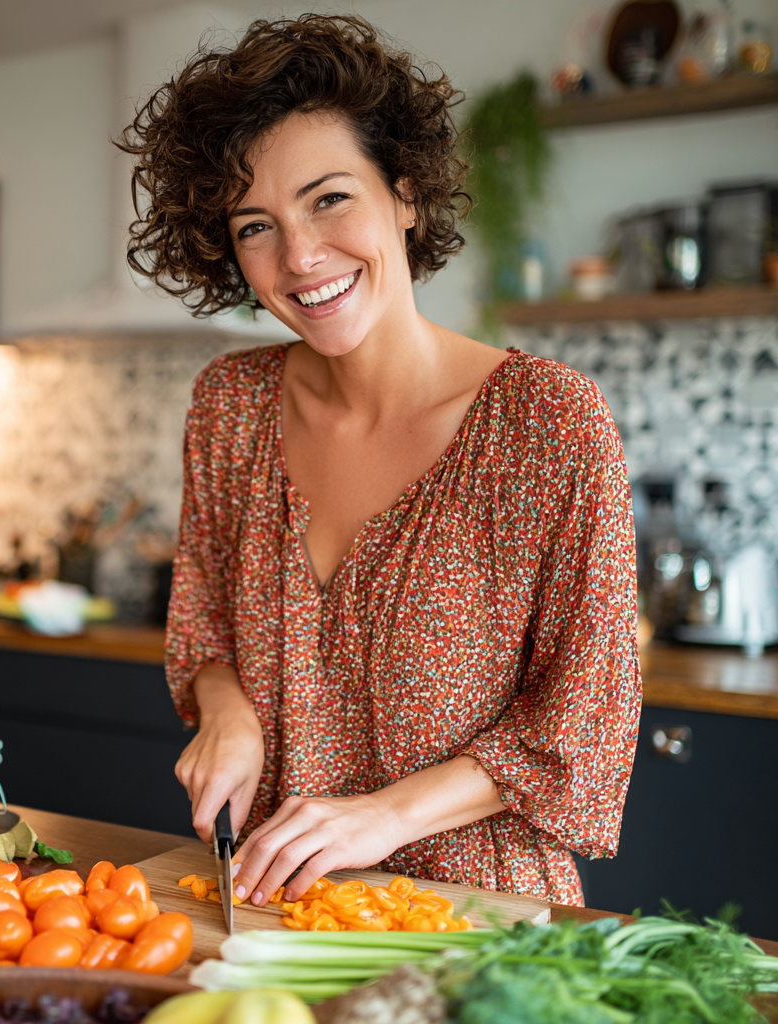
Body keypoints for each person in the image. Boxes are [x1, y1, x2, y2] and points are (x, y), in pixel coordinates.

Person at [119, 14, 641, 908]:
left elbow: (585, 718)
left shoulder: (546, 420)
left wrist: (383, 817)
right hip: (277, 902)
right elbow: (201, 625)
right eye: (255, 226)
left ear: (404, 192)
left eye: (329, 199)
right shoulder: (229, 407)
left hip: (478, 917)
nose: (299, 257)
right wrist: (227, 710)